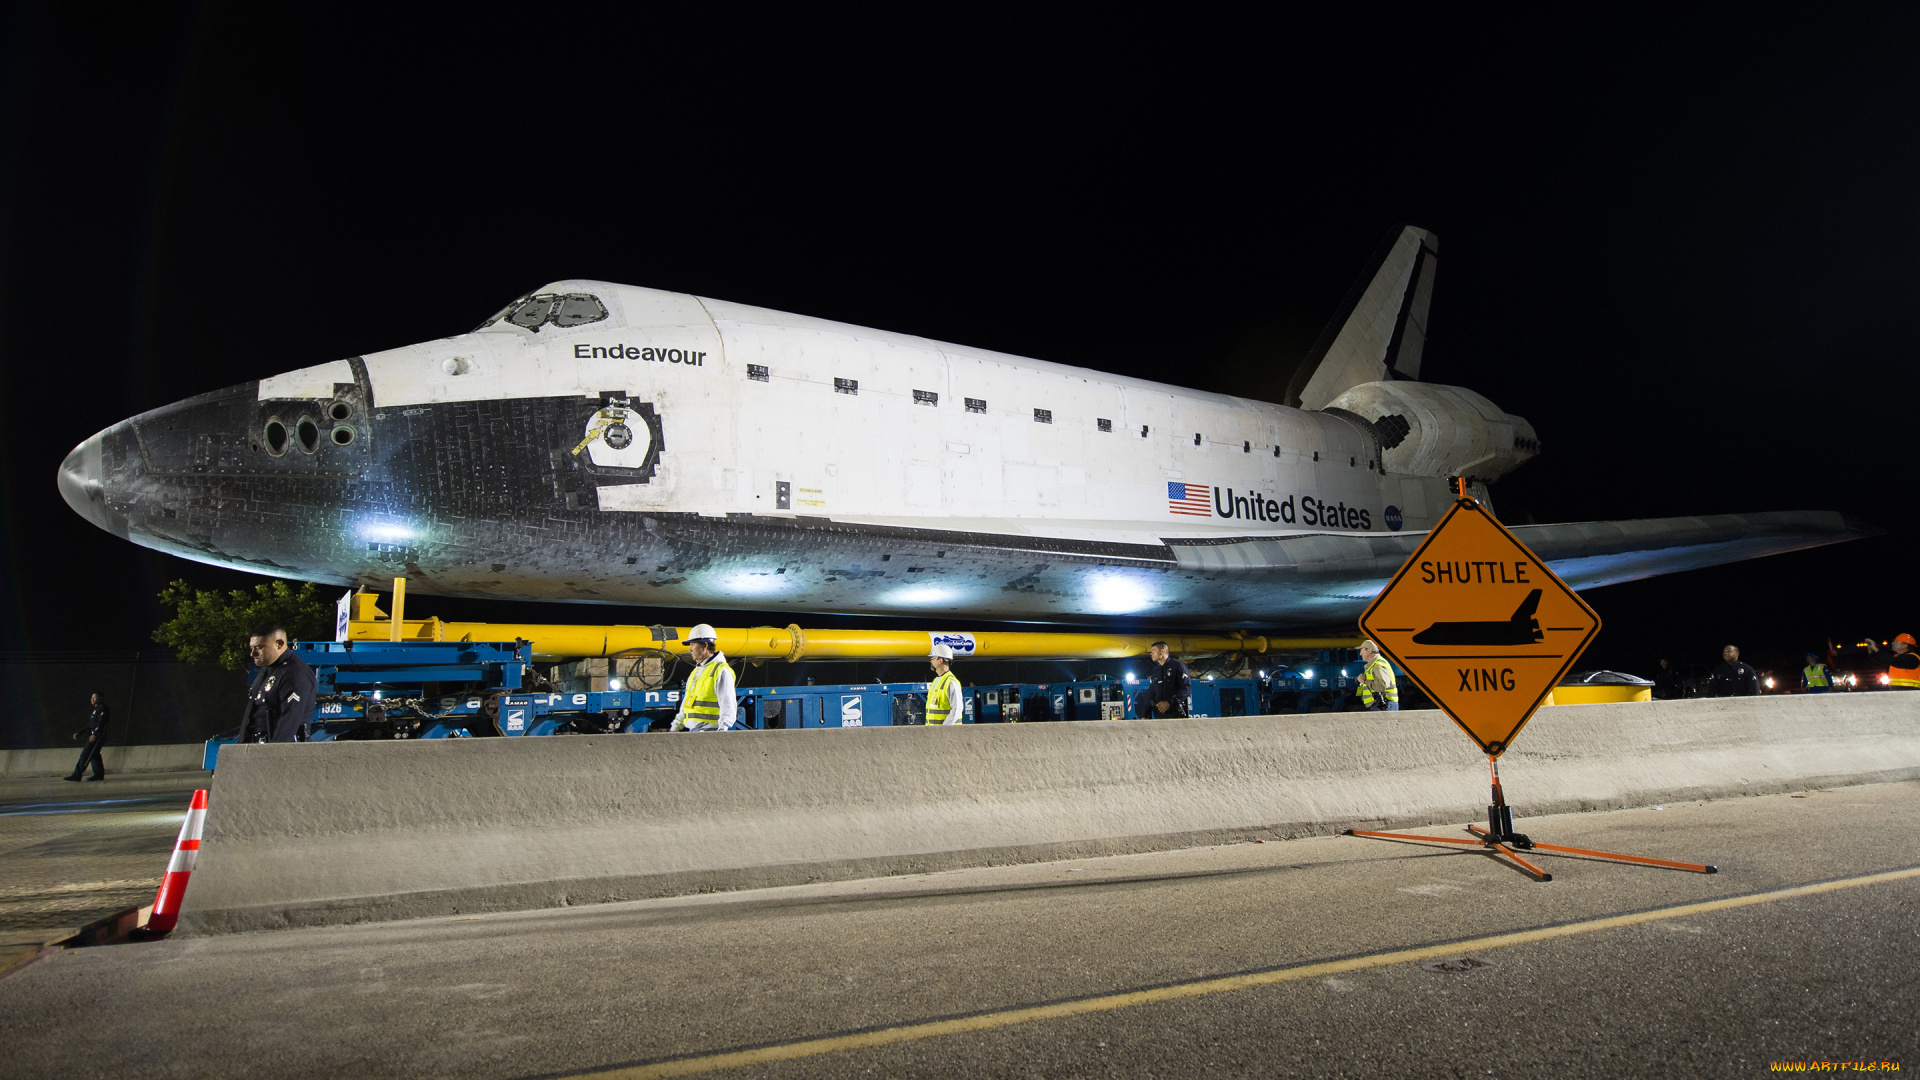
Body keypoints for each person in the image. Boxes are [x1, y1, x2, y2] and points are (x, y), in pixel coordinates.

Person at [240, 622, 316, 743]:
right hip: (260, 749)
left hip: (283, 752)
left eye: (259, 648)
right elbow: (252, 715)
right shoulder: (268, 670)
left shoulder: (295, 673)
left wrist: (274, 756)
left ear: (279, 644)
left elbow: (289, 721)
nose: (252, 654)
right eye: (252, 648)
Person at [671, 624, 738, 730]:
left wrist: (722, 730)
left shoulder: (721, 670)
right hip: (694, 732)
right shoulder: (696, 671)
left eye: (693, 645)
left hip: (710, 733)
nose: (690, 650)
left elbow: (728, 704)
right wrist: (675, 727)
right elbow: (687, 703)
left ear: (705, 646)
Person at [64, 691, 110, 781]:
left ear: (101, 698)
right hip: (93, 735)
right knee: (94, 755)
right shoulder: (95, 710)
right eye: (91, 697)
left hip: (98, 736)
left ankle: (77, 774)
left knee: (86, 754)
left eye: (95, 697)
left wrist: (95, 734)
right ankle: (98, 774)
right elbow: (90, 725)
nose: (92, 699)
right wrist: (80, 733)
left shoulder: (103, 709)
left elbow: (101, 723)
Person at [1144, 642, 1191, 718]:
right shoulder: (1155, 671)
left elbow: (1186, 688)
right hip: (1159, 716)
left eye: (1154, 650)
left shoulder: (1177, 666)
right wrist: (1145, 714)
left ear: (1162, 651)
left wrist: (1169, 703)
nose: (1151, 653)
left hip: (1176, 715)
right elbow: (1151, 693)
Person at [925, 644, 964, 725]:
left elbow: (957, 709)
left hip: (946, 734)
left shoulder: (951, 682)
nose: (931, 661)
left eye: (933, 658)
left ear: (940, 661)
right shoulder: (936, 680)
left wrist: (944, 729)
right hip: (933, 732)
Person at [1356, 640, 1399, 710]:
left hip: (1384, 705)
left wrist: (1365, 681)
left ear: (1369, 650)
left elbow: (1382, 685)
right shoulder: (1373, 665)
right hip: (1380, 704)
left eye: (1362, 650)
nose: (1360, 654)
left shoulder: (1378, 664)